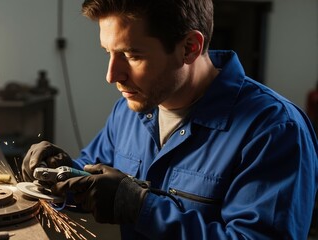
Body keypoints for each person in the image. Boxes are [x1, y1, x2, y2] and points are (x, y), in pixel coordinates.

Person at [22, 0, 318, 239]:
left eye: (131, 55)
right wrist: (61, 170)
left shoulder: (275, 129)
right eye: (108, 53)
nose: (112, 75)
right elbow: (95, 185)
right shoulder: (128, 111)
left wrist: (141, 207)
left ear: (190, 47)